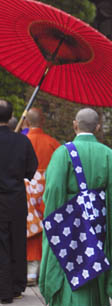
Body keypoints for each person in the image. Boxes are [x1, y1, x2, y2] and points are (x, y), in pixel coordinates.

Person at [39, 108, 112, 306]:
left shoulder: (63, 153)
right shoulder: (110, 156)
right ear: (98, 127)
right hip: (98, 222)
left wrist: (55, 221)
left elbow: (54, 189)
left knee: (70, 265)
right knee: (94, 264)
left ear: (74, 125)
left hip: (69, 221)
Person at [0, 99, 38, 304]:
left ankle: (3, 288)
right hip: (15, 198)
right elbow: (31, 169)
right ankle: (15, 287)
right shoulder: (22, 141)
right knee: (17, 241)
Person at [25, 108, 60, 286]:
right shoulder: (52, 143)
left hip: (25, 193)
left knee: (30, 229)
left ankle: (29, 271)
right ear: (43, 121)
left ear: (26, 123)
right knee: (47, 228)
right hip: (47, 193)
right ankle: (44, 269)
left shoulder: (22, 142)